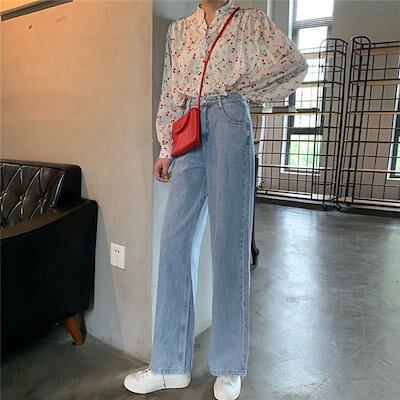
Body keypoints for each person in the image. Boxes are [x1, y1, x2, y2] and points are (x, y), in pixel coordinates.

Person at [124, 0, 307, 399]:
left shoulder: (249, 20)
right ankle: (170, 365)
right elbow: (171, 90)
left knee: (229, 245)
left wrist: (241, 89)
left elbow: (293, 64)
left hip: (229, 122)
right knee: (174, 244)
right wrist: (165, 148)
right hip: (188, 127)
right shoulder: (179, 30)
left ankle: (228, 365)